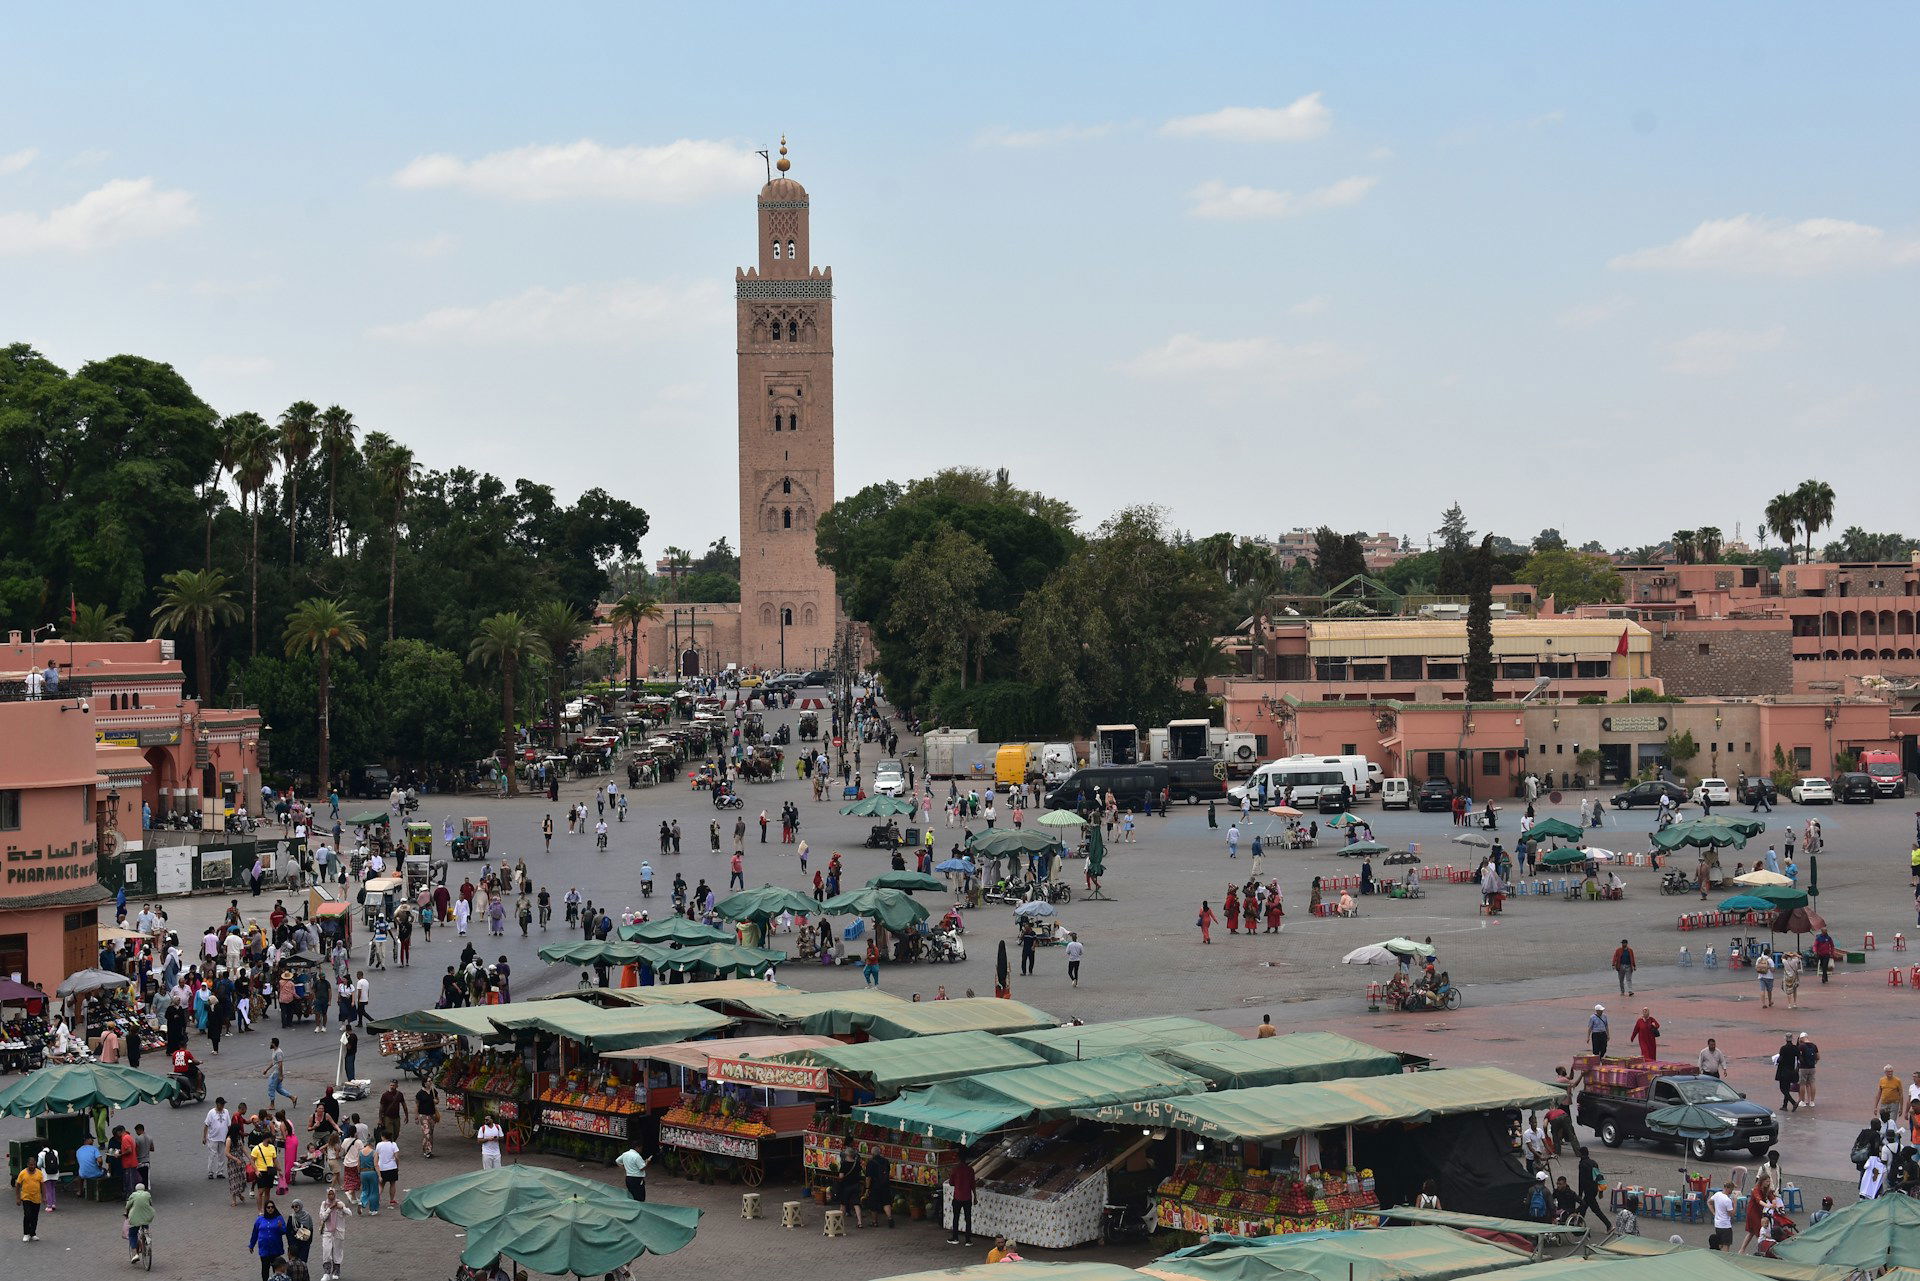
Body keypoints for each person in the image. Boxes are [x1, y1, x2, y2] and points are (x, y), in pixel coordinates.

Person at [250, 1199, 290, 1281]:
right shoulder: (260, 1219)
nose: (270, 1209)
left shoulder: (279, 1218)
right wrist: (251, 1245)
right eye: (268, 1207)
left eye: (272, 1207)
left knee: (276, 1270)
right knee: (265, 1269)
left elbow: (284, 1231)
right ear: (265, 1208)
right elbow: (255, 1233)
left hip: (275, 1249)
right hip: (264, 1249)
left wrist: (280, 1227)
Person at [316, 1187, 348, 1281]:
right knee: (326, 1250)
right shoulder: (324, 1204)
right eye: (329, 1194)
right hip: (327, 1231)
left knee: (337, 1251)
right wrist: (330, 1208)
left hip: (338, 1231)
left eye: (332, 1194)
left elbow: (348, 1213)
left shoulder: (339, 1203)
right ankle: (326, 1272)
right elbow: (322, 1216)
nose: (331, 1196)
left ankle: (336, 1271)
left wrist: (341, 1208)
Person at [946, 1153, 975, 1245]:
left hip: (957, 1197)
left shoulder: (955, 1169)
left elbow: (951, 1183)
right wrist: (975, 1197)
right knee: (968, 1219)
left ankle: (955, 1238)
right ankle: (968, 1240)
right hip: (967, 1197)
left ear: (958, 1159)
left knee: (956, 1218)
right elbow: (973, 1184)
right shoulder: (970, 1170)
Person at [15, 1152, 44, 1242]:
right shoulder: (23, 1173)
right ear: (27, 1164)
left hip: (37, 1198)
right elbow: (17, 1185)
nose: (32, 1166)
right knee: (27, 1215)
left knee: (35, 1217)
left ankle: (33, 1233)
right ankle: (26, 1233)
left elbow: (42, 1185)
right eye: (30, 1165)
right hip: (26, 1197)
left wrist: (44, 1196)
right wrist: (18, 1198)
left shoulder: (39, 1173)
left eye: (34, 1165)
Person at [863, 1149, 895, 1228]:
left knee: (873, 1204)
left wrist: (867, 1189)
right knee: (886, 1202)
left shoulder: (870, 1163)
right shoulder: (886, 1161)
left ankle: (874, 1222)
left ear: (872, 1153)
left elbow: (868, 1177)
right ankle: (890, 1217)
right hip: (885, 1184)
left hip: (875, 1186)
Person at [1576, 1147, 1606, 1227]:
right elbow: (1599, 1176)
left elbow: (1581, 1180)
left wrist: (1580, 1194)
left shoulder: (1582, 1164)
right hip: (1594, 1189)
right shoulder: (1594, 1163)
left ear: (1580, 1154)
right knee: (1584, 1206)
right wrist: (1601, 1191)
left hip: (1588, 1190)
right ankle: (1579, 1222)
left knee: (1595, 1209)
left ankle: (1609, 1225)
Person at [125, 1182, 155, 1261]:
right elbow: (150, 1203)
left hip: (135, 1218)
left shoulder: (133, 1195)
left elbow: (128, 1206)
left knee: (132, 1234)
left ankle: (135, 1254)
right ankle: (146, 1235)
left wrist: (126, 1213)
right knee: (145, 1224)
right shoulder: (147, 1194)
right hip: (147, 1216)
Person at [205, 1096, 232, 1180]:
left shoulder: (226, 1112)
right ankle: (210, 1172)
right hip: (213, 1138)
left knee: (221, 1155)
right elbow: (206, 1125)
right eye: (222, 1104)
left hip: (223, 1138)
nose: (223, 1106)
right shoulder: (211, 1113)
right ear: (217, 1104)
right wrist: (204, 1137)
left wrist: (229, 1136)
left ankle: (220, 1172)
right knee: (212, 1155)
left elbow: (229, 1125)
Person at [285, 1196, 314, 1271]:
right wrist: (291, 1244)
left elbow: (311, 1229)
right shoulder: (291, 1217)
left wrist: (308, 1242)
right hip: (294, 1245)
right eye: (293, 1206)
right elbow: (288, 1231)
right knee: (293, 1265)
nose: (294, 1208)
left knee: (303, 1263)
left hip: (304, 1244)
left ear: (300, 1206)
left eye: (296, 1206)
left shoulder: (307, 1216)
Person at [374, 1129, 400, 1209]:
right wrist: (397, 1166)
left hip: (382, 1168)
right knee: (392, 1184)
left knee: (381, 1185)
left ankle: (376, 1199)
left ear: (383, 1137)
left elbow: (376, 1156)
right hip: (392, 1167)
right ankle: (392, 1200)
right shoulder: (393, 1144)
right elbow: (397, 1157)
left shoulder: (379, 1145)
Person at [1708, 1180, 1736, 1249]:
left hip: (1717, 1224)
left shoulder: (1717, 1194)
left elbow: (1709, 1202)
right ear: (1728, 1188)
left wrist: (1714, 1212)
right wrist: (1735, 1203)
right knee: (1726, 1245)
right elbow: (1732, 1214)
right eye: (1732, 1189)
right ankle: (1724, 1257)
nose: (1732, 1191)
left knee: (1720, 1244)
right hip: (1725, 1225)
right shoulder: (1727, 1200)